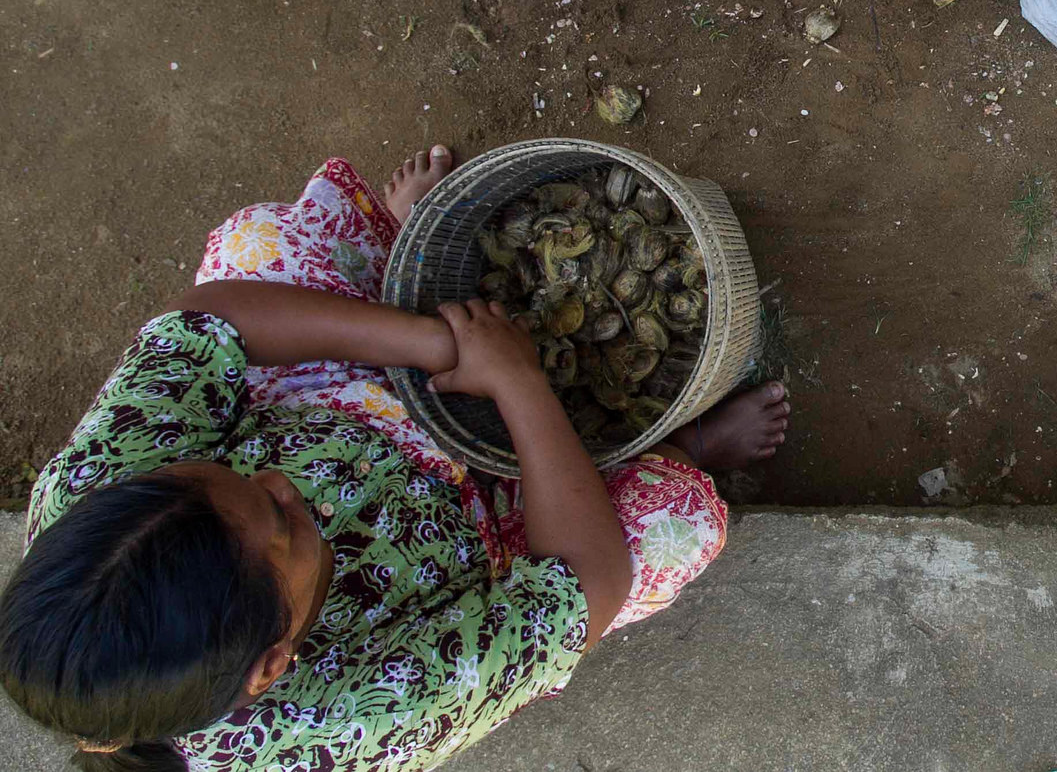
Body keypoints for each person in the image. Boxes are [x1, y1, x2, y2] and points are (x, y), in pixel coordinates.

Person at [0, 148, 790, 772]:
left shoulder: (98, 500)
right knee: (673, 526)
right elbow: (585, 585)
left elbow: (210, 326)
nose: (275, 482)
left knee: (255, 245)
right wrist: (514, 379)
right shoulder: (351, 721)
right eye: (278, 516)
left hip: (337, 395)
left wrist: (434, 342)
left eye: (226, 474)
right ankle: (680, 447)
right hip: (488, 530)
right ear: (272, 662)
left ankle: (399, 259)